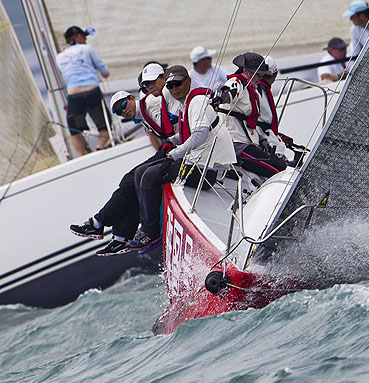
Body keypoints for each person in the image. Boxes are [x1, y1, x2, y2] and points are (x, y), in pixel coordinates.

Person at [69, 64, 181, 256]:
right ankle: (119, 236)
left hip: (179, 148)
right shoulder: (143, 113)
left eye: (123, 106)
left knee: (137, 178)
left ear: (132, 98)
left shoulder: (150, 102)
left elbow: (168, 101)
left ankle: (101, 223)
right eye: (119, 112)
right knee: (129, 181)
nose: (123, 111)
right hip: (172, 147)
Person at [127, 65, 236, 251]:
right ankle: (148, 228)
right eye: (170, 86)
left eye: (178, 83)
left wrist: (176, 152)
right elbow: (188, 133)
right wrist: (172, 141)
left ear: (189, 81)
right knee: (141, 173)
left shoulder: (197, 102)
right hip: (200, 163)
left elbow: (199, 134)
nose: (174, 88)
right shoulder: (185, 103)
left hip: (209, 171)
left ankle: (151, 232)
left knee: (151, 175)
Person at [216, 52, 287, 179]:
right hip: (236, 144)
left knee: (282, 166)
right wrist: (221, 98)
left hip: (248, 142)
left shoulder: (251, 89)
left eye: (261, 74)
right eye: (257, 73)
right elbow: (229, 93)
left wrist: (262, 139)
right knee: (278, 171)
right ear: (245, 70)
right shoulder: (237, 82)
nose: (259, 77)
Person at [56, 26, 111, 157]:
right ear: (75, 37)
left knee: (74, 131)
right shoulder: (87, 49)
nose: (85, 39)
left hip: (74, 96)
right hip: (92, 92)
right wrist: (105, 74)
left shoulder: (60, 57)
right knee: (105, 126)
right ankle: (99, 147)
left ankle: (80, 156)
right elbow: (105, 72)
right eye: (83, 37)